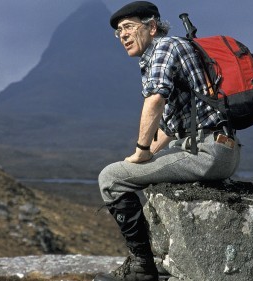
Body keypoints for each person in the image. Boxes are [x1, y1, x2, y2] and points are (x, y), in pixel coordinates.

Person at [94, 2, 240, 281]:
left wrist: (141, 152)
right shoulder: (167, 50)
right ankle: (161, 259)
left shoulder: (164, 48)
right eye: (118, 32)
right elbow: (171, 129)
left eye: (128, 27)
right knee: (128, 171)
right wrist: (143, 158)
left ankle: (142, 269)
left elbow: (155, 99)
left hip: (206, 152)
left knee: (111, 178)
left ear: (151, 26)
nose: (122, 35)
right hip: (214, 147)